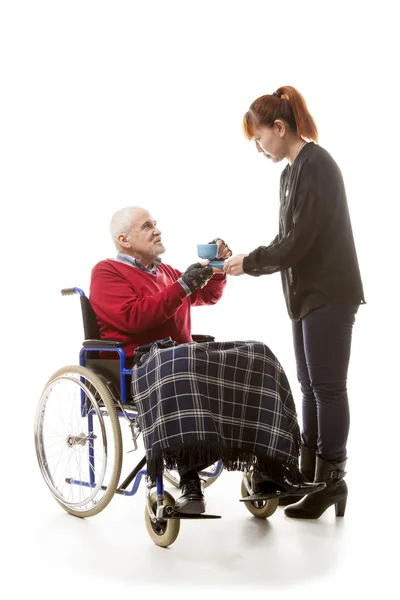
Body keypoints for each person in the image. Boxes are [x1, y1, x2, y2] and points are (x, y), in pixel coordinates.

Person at [89, 206, 324, 515]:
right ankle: (189, 482)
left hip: (181, 356)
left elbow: (206, 297)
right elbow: (135, 318)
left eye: (155, 223)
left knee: (257, 355)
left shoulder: (166, 272)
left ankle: (269, 469)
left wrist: (213, 269)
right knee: (179, 362)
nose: (157, 229)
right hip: (141, 364)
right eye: (147, 226)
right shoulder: (107, 272)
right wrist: (184, 284)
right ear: (124, 239)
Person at [224, 86, 365, 519]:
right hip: (304, 296)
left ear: (279, 128)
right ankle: (306, 476)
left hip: (329, 292)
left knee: (327, 388)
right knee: (309, 387)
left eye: (259, 138)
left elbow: (297, 242)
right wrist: (251, 258)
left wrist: (251, 262)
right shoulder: (290, 173)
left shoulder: (317, 165)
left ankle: (331, 481)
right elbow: (288, 241)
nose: (260, 148)